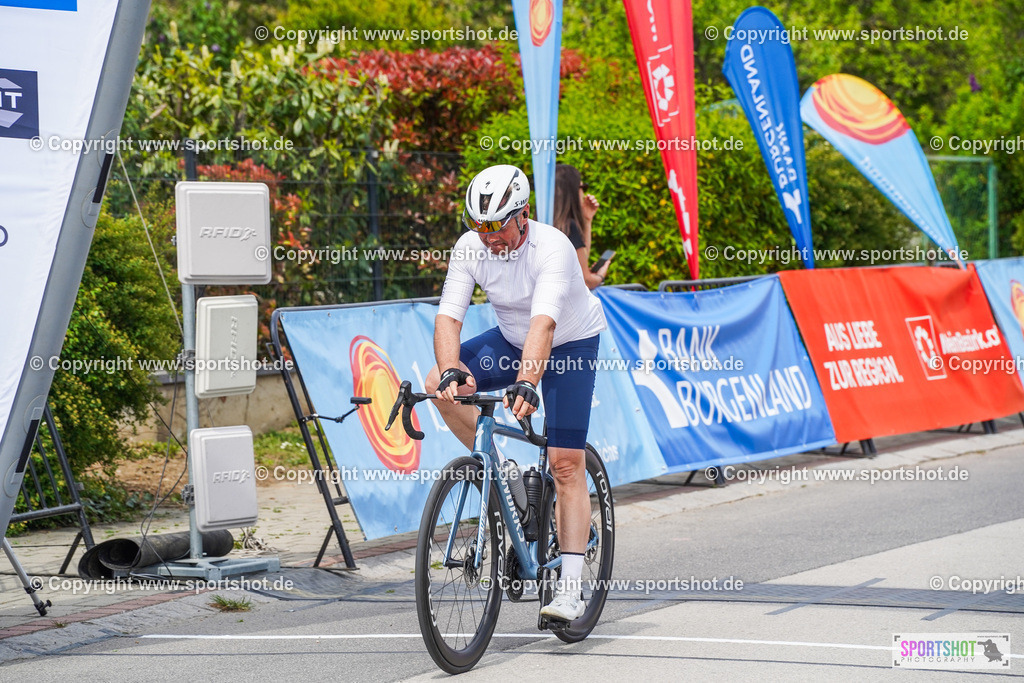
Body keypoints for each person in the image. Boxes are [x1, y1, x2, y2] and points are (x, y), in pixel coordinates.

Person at [425, 164, 606, 623]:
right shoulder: (471, 247)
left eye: (497, 225)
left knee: (566, 461)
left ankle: (569, 589)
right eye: (479, 226)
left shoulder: (553, 247)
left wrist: (527, 381)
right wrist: (450, 371)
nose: (488, 237)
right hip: (509, 338)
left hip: (568, 343)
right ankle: (502, 472)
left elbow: (544, 325)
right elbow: (449, 317)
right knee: (435, 384)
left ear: (522, 215)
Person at [552, 164, 610, 289]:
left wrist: (587, 220)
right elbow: (585, 281)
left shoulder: (541, 222)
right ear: (572, 190)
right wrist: (600, 276)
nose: (584, 193)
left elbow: (582, 260)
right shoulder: (567, 227)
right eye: (582, 187)